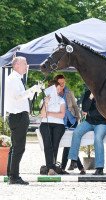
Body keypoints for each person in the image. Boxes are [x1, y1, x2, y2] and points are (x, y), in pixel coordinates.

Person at [6, 56, 42, 185]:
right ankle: (14, 177)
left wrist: (34, 90)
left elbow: (23, 96)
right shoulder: (13, 79)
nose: (27, 66)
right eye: (24, 63)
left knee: (15, 147)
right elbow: (17, 97)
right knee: (19, 148)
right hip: (18, 116)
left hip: (19, 115)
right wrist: (32, 89)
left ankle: (11, 174)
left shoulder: (17, 79)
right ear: (16, 65)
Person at [68, 88, 106, 175]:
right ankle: (73, 160)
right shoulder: (87, 93)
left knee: (98, 139)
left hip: (102, 123)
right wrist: (90, 97)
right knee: (76, 132)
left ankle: (99, 168)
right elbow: (85, 109)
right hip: (89, 121)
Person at [53, 75, 85, 175]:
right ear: (56, 83)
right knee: (69, 144)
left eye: (64, 83)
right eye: (60, 83)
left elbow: (75, 106)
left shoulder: (69, 92)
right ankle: (80, 167)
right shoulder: (53, 93)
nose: (63, 85)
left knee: (70, 144)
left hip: (72, 121)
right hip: (61, 122)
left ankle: (64, 168)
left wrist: (78, 118)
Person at [39, 80, 66, 175]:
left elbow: (62, 115)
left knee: (55, 145)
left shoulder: (61, 100)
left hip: (59, 125)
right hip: (45, 124)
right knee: (48, 145)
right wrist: (46, 103)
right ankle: (51, 168)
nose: (58, 91)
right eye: (57, 89)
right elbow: (42, 114)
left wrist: (49, 113)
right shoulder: (43, 100)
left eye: (59, 89)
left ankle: (51, 167)